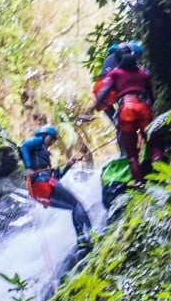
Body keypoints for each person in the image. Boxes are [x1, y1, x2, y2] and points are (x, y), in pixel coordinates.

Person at [92, 43, 158, 185]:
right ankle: (161, 172)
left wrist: (96, 105)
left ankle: (139, 182)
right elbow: (151, 96)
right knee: (154, 145)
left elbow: (104, 91)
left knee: (131, 154)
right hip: (143, 107)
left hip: (126, 108)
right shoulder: (143, 73)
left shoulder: (114, 73)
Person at [18, 125, 93, 248]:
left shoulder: (42, 157)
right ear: (44, 135)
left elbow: (56, 178)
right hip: (42, 182)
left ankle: (81, 239)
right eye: (51, 138)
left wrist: (68, 165)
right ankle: (92, 232)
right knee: (77, 204)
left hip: (39, 191)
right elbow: (24, 146)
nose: (52, 142)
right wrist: (29, 168)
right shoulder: (38, 141)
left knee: (73, 208)